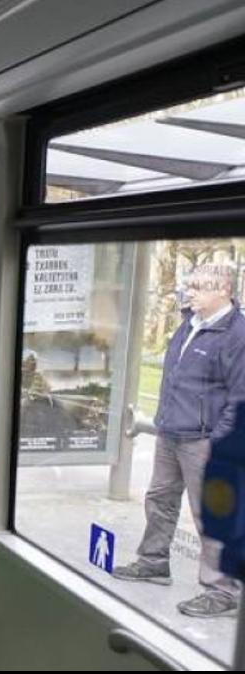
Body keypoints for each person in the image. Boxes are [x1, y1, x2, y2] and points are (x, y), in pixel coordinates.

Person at [113, 263, 245, 618]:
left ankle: (223, 591)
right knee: (160, 499)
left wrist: (219, 442)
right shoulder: (190, 323)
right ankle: (153, 561)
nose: (190, 292)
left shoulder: (237, 335)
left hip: (205, 440)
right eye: (190, 285)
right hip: (171, 432)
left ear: (224, 290)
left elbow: (240, 397)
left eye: (199, 287)